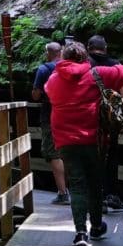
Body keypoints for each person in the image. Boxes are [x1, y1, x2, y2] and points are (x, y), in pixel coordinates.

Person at [42, 44, 123, 246]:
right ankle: (96, 227)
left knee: (77, 185)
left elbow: (48, 94)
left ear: (63, 57)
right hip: (93, 140)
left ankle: (81, 233)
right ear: (84, 57)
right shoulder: (97, 74)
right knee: (95, 184)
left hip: (65, 141)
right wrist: (108, 64)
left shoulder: (52, 80)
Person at [86, 35, 123, 213]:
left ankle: (97, 197)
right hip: (111, 119)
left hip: (91, 118)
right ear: (105, 48)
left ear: (88, 47)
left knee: (94, 157)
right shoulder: (115, 65)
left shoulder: (86, 65)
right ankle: (112, 195)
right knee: (112, 155)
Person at [30, 42, 70, 205]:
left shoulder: (44, 69)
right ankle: (79, 188)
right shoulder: (72, 66)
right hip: (72, 114)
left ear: (48, 53)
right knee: (70, 150)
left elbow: (36, 95)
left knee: (53, 153)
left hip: (52, 115)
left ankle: (62, 192)